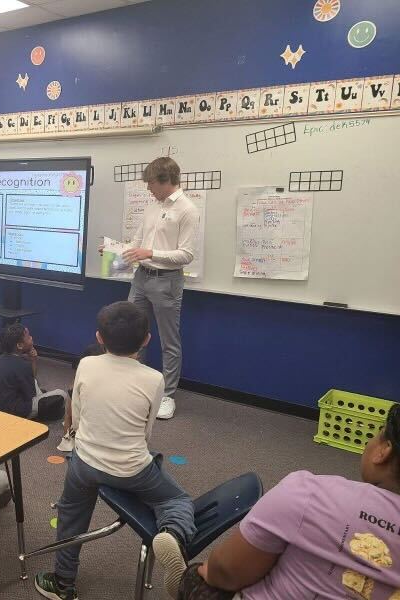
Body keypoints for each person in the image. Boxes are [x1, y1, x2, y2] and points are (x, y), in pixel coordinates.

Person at [35, 302, 196, 600]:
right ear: (147, 339)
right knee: (177, 500)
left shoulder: (86, 365)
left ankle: (63, 583)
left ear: (99, 337)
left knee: (71, 514)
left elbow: (79, 418)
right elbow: (146, 433)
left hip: (84, 463)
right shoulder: (154, 378)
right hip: (133, 470)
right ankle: (172, 534)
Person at [175, 401, 400, 600]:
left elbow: (224, 572)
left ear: (384, 451)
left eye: (379, 432)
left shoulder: (310, 493)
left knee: (196, 577)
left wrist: (208, 572)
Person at [105, 157, 199, 420]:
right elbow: (136, 244)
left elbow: (186, 254)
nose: (148, 189)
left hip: (167, 280)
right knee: (131, 332)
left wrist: (150, 252)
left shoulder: (187, 210)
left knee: (169, 340)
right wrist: (115, 250)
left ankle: (167, 395)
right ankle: (136, 386)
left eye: (151, 183)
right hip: (141, 278)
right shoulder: (151, 207)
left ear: (167, 181)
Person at [0, 323, 69, 422]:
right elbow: (31, 396)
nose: (31, 338)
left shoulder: (2, 359)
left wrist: (33, 360)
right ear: (19, 345)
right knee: (61, 394)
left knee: (38, 387)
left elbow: (31, 379)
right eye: (28, 337)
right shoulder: (23, 365)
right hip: (14, 415)